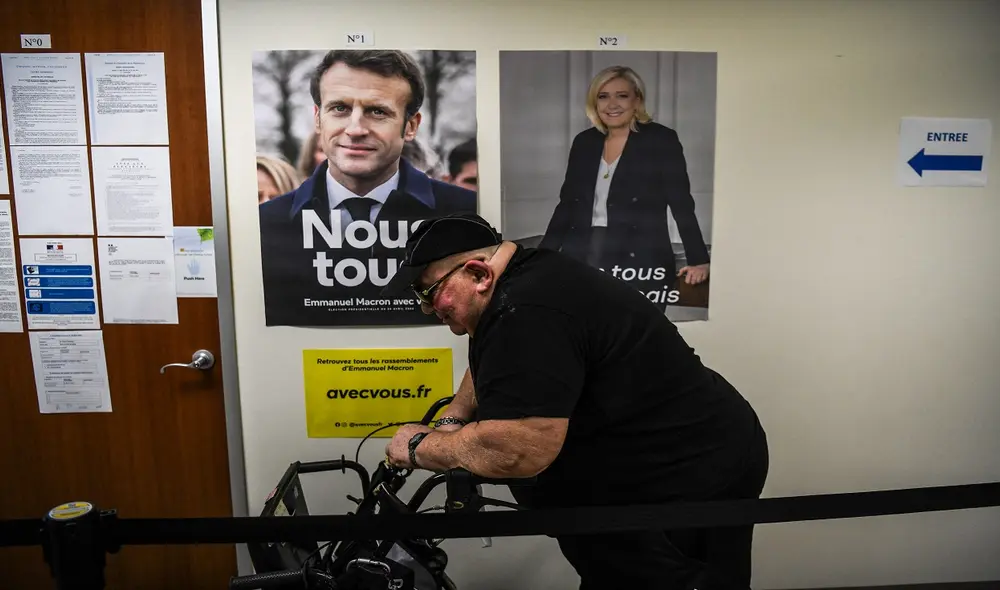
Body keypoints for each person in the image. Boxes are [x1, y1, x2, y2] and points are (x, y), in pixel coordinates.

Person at [382, 212, 768, 589]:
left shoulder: (525, 309)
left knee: (676, 577)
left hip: (681, 474)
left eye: (429, 292)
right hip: (675, 455)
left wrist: (419, 446)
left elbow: (518, 450)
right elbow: (486, 346)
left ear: (479, 274)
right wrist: (457, 413)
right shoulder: (516, 281)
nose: (427, 308)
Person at [258, 50, 477, 326]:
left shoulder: (465, 216)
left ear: (410, 126)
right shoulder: (264, 227)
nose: (356, 128)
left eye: (377, 111)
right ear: (317, 118)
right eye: (340, 108)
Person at [539, 65, 711, 309]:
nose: (612, 104)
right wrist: (543, 257)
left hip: (640, 255)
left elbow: (681, 202)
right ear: (595, 103)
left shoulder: (661, 139)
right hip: (583, 251)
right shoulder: (584, 142)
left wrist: (698, 259)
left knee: (634, 332)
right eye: (603, 96)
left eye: (622, 95)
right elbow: (567, 205)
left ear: (637, 100)